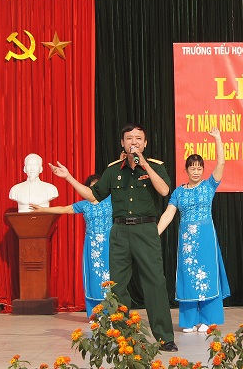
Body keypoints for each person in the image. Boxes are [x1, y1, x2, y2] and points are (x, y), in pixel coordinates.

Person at [49, 123, 178, 352]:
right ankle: (123, 336)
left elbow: (164, 191)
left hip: (145, 230)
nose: (133, 142)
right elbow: (93, 196)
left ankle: (164, 338)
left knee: (155, 283)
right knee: (117, 285)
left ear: (145, 143)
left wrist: (144, 164)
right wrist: (68, 177)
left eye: (138, 138)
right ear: (122, 143)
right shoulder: (113, 170)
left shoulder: (156, 166)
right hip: (119, 231)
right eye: (129, 138)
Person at [157, 127, 230, 333]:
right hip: (187, 242)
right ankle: (189, 320)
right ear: (186, 170)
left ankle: (208, 319)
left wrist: (218, 138)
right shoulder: (178, 192)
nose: (196, 171)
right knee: (188, 277)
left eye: (199, 168)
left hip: (206, 239)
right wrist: (154, 234)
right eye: (192, 168)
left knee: (207, 276)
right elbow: (168, 215)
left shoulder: (209, 186)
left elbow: (221, 163)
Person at [31, 174, 112, 318]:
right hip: (92, 247)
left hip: (110, 244)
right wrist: (42, 209)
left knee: (111, 276)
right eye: (91, 187)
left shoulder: (112, 200)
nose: (95, 190)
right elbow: (63, 209)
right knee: (93, 278)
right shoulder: (84, 204)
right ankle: (95, 314)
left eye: (98, 186)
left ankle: (113, 312)